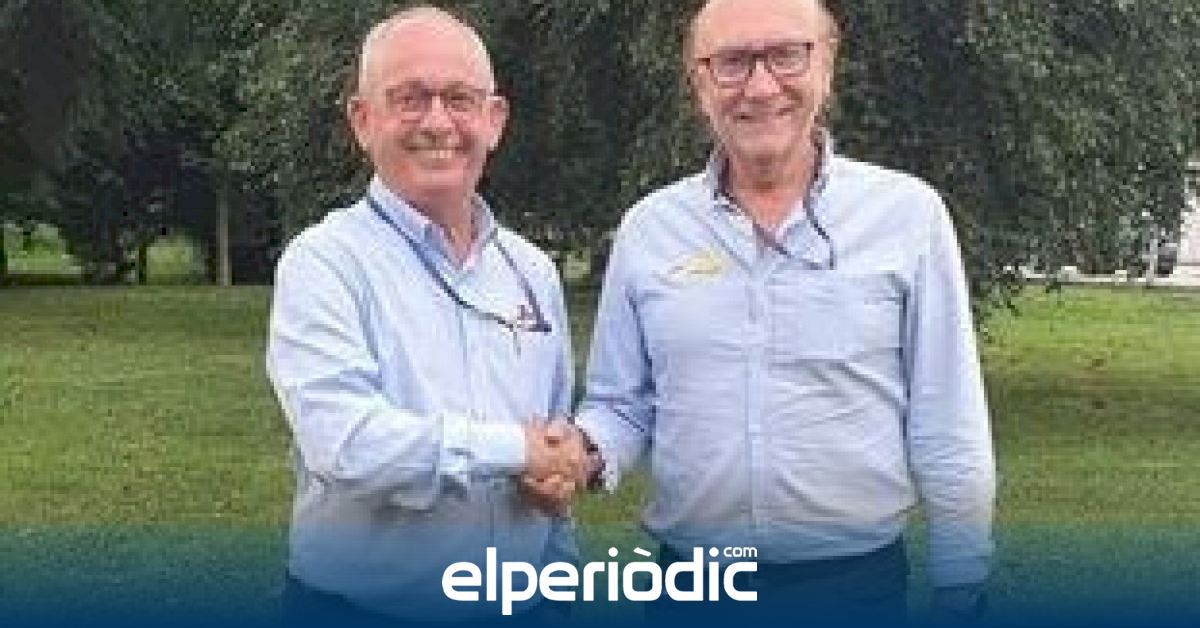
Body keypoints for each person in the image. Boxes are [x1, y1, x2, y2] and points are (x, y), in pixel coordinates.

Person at [557, 0, 996, 621]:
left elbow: (946, 418)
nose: (761, 87)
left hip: (853, 591)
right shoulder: (650, 230)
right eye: (732, 62)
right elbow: (622, 404)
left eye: (787, 55)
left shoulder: (908, 217)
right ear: (699, 83)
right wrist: (581, 453)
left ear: (827, 66)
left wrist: (961, 584)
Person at [265, 6, 587, 625]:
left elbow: (551, 448)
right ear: (363, 120)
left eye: (460, 99)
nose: (437, 122)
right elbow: (346, 444)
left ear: (494, 120)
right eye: (409, 99)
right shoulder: (325, 262)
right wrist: (515, 451)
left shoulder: (532, 272)